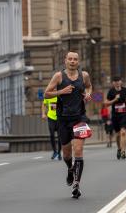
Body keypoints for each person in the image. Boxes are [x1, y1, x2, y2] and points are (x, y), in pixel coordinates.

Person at [44, 51, 92, 199]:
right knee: (66, 154)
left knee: (78, 150)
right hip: (63, 119)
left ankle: (76, 184)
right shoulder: (59, 76)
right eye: (70, 59)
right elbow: (46, 93)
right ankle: (70, 169)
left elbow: (89, 86)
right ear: (65, 61)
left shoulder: (84, 75)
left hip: (79, 118)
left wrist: (88, 94)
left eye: (75, 59)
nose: (72, 61)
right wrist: (61, 91)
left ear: (78, 61)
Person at [105, 76, 126, 160]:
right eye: (115, 81)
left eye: (119, 81)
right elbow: (106, 103)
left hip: (123, 114)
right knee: (118, 135)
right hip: (115, 116)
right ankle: (119, 148)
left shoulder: (125, 90)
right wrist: (114, 100)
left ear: (121, 82)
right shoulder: (111, 91)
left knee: (123, 132)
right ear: (113, 83)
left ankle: (123, 151)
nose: (117, 82)